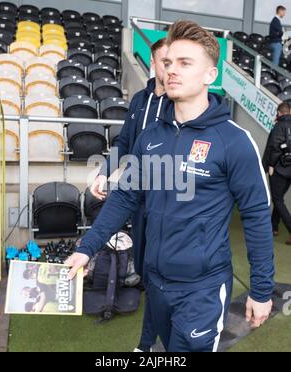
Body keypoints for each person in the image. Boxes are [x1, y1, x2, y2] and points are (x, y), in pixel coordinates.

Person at [66, 20, 274, 352]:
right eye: (168, 62)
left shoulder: (234, 141)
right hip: (156, 283)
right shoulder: (151, 137)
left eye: (185, 63)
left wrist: (261, 291)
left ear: (210, 75)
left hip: (201, 289)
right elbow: (124, 198)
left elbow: (257, 216)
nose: (171, 70)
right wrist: (86, 247)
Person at [90, 37, 168, 352]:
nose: (168, 68)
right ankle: (152, 338)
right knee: (146, 270)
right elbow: (123, 142)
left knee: (163, 273)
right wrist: (103, 171)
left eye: (174, 61)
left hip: (169, 200)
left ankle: (149, 342)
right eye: (163, 61)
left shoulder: (181, 103)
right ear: (152, 62)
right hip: (137, 198)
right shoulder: (138, 99)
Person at [263, 102, 291, 236]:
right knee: (278, 198)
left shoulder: (279, 126)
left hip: (280, 169)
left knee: (277, 199)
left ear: (279, 113)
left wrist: (271, 165)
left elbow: (274, 148)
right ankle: (273, 227)